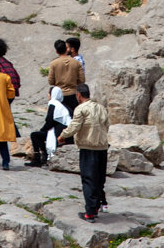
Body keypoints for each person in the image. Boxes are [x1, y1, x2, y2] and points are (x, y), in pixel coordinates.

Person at [58, 83, 109, 222]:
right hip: (102, 148)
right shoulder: (101, 108)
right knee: (99, 179)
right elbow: (107, 126)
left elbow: (74, 126)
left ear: (78, 95)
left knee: (88, 179)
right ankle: (97, 206)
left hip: (88, 148)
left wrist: (62, 136)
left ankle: (90, 213)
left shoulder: (81, 109)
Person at [26, 86, 71, 167]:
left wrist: (42, 129)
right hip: (66, 132)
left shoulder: (53, 104)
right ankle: (43, 156)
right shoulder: (64, 106)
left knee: (35, 135)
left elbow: (49, 122)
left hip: (58, 133)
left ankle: (38, 158)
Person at [48, 39, 85, 113]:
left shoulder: (53, 64)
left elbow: (51, 81)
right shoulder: (77, 63)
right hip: (73, 94)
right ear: (66, 49)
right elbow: (82, 80)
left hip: (59, 94)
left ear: (56, 52)